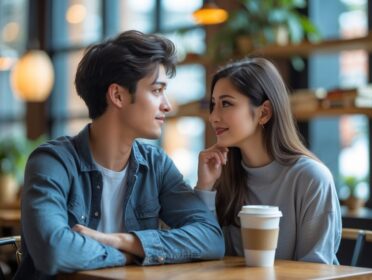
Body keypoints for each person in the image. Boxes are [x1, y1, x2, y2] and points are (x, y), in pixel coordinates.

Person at [14, 30, 224, 279]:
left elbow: (211, 239)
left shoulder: (156, 165)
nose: (167, 105)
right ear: (117, 95)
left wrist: (120, 241)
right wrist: (126, 255)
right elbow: (53, 252)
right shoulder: (52, 162)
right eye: (157, 90)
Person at [195, 57, 342, 264]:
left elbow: (316, 269)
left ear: (264, 113)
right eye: (213, 104)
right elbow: (205, 254)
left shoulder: (312, 178)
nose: (213, 117)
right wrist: (204, 189)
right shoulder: (222, 177)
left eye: (226, 103)